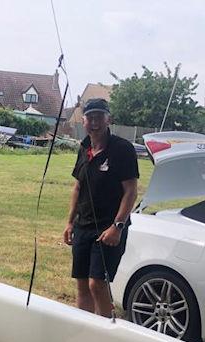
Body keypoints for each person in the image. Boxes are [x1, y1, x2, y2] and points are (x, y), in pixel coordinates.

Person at [64, 98, 139, 317]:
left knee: (97, 284)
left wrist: (118, 226)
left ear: (108, 119)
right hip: (83, 225)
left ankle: (105, 330)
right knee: (81, 284)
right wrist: (70, 222)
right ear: (84, 120)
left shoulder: (122, 149)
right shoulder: (84, 147)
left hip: (109, 228)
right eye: (90, 117)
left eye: (100, 116)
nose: (94, 121)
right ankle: (84, 328)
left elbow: (131, 191)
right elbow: (78, 187)